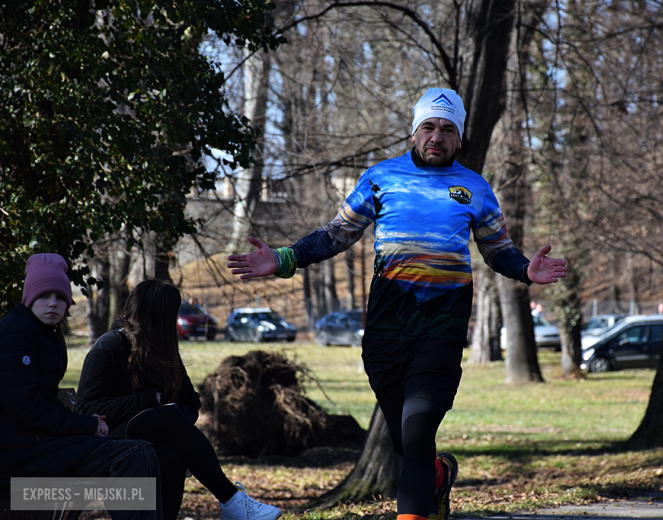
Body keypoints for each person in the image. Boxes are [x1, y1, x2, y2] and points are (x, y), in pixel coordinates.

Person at [226, 87, 567, 520]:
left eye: (447, 129)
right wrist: (283, 258)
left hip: (442, 327)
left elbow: (497, 249)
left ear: (459, 139)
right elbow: (336, 234)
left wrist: (525, 270)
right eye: (428, 127)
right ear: (414, 133)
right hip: (387, 330)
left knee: (419, 429)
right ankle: (439, 476)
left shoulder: (474, 188)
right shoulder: (380, 178)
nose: (437, 137)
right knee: (409, 444)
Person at [75, 279, 281, 520]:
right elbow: (85, 408)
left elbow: (190, 401)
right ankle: (230, 499)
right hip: (105, 439)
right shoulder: (110, 346)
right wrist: (145, 402)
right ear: (158, 316)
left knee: (171, 455)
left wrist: (175, 423)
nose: (174, 322)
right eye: (172, 314)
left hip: (146, 439)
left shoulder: (161, 349)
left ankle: (228, 504)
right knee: (163, 417)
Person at [0, 253, 163, 520]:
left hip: (34, 449)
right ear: (29, 298)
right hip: (16, 458)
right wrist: (85, 425)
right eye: (44, 296)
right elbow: (24, 406)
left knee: (142, 450)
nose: (53, 304)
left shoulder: (43, 333)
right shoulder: (17, 332)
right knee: (132, 453)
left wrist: (82, 421)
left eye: (60, 297)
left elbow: (44, 399)